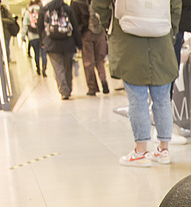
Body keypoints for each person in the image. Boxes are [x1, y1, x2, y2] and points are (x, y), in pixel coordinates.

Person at [94, 0, 181, 167]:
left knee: (137, 98)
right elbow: (176, 6)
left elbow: (99, 5)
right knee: (163, 99)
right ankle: (163, 150)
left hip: (127, 37)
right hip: (161, 37)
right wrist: (170, 29)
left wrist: (111, 26)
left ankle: (141, 151)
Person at [37, 0, 82, 99]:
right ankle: (69, 89)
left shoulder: (44, 10)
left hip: (51, 44)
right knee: (68, 67)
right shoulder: (67, 8)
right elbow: (75, 26)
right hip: (68, 43)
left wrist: (43, 41)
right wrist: (79, 44)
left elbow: (39, 28)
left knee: (58, 69)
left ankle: (64, 91)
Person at [72, 0, 109, 95]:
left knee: (88, 62)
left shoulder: (76, 2)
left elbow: (75, 21)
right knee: (100, 60)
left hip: (86, 33)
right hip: (99, 32)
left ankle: (92, 88)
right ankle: (104, 82)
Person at [21, 0, 47, 76]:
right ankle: (44, 70)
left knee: (36, 53)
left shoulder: (28, 11)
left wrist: (23, 36)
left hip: (32, 36)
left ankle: (38, 68)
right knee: (43, 54)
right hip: (42, 35)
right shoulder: (42, 10)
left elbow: (25, 24)